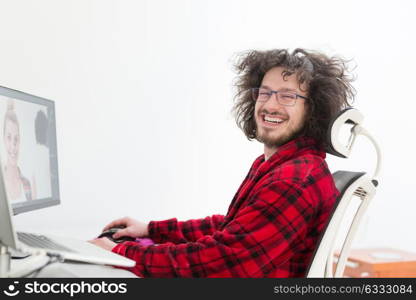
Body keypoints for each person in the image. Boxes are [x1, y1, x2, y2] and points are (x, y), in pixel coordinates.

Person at [90, 48, 355, 277]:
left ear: (313, 109)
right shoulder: (283, 165)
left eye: (287, 96)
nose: (270, 105)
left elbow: (225, 264)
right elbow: (233, 229)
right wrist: (151, 230)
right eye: (264, 93)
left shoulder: (294, 179)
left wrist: (120, 252)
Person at [2, 100, 33, 203]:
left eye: (16, 138)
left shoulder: (27, 184)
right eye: (9, 137)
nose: (13, 145)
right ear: (3, 139)